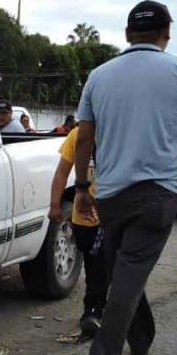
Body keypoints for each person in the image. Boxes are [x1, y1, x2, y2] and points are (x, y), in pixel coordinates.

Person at [74, 0, 177, 355]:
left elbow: (85, 137)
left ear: (127, 34)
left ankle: (140, 339)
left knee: (126, 268)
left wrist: (82, 187)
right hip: (157, 192)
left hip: (110, 193)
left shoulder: (99, 75)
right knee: (127, 276)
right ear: (166, 34)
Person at [49, 124, 107, 335]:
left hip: (114, 214)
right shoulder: (78, 135)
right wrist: (55, 205)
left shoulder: (122, 132)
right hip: (84, 217)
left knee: (106, 266)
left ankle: (94, 311)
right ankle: (95, 309)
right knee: (94, 266)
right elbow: (62, 171)